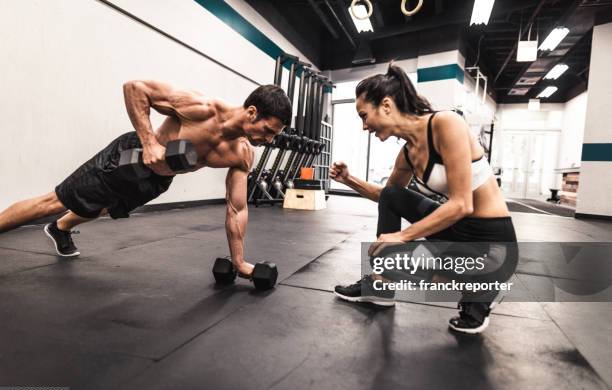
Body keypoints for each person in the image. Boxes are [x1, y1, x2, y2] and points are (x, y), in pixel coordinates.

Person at [0, 81, 291, 278]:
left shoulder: (240, 154)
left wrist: (238, 261)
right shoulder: (201, 109)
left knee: (104, 208)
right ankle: (54, 219)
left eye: (273, 136)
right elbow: (135, 88)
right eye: (269, 130)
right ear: (252, 112)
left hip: (157, 181)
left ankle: (60, 228)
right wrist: (150, 142)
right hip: (131, 156)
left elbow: (236, 208)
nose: (268, 139)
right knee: (54, 201)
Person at [330, 64, 517, 334]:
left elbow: (462, 204)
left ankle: (485, 286)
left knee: (464, 287)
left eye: (364, 115)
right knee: (394, 194)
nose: (364, 126)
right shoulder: (407, 154)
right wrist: (349, 180)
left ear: (385, 105)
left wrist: (403, 236)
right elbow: (387, 198)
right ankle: (381, 284)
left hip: (492, 243)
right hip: (456, 232)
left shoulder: (445, 123)